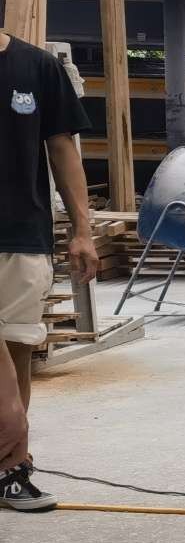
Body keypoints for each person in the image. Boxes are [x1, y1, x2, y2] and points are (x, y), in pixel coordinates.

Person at [0, 31, 96, 511]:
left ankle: (10, 468)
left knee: (17, 345)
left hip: (22, 232)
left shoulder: (37, 67)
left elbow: (62, 148)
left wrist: (82, 230)